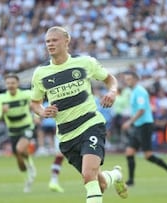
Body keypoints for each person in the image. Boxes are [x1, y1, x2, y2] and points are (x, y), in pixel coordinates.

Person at [30, 26, 128, 203]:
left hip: (90, 124)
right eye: (47, 41)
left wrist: (113, 92)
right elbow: (35, 103)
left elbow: (109, 79)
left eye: (54, 40)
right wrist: (42, 111)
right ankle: (116, 175)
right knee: (101, 184)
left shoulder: (85, 62)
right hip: (66, 136)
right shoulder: (40, 73)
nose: (50, 44)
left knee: (88, 175)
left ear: (67, 41)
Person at [122, 71, 167, 187]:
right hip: (138, 125)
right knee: (129, 152)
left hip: (145, 125)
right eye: (126, 79)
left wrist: (129, 122)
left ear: (135, 79)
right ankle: (131, 181)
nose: (127, 81)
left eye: (129, 79)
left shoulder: (140, 91)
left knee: (148, 155)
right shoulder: (133, 91)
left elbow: (142, 110)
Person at [0, 74, 36, 193]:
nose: (10, 85)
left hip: (26, 127)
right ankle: (27, 178)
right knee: (19, 156)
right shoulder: (1, 98)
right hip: (12, 131)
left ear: (18, 84)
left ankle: (30, 168)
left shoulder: (25, 94)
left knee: (19, 149)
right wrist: (2, 111)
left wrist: (37, 115)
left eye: (13, 83)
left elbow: (37, 102)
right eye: (8, 83)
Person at [36, 100, 65, 193]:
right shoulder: (52, 101)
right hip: (62, 131)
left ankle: (54, 180)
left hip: (63, 131)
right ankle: (54, 181)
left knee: (60, 155)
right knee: (60, 155)